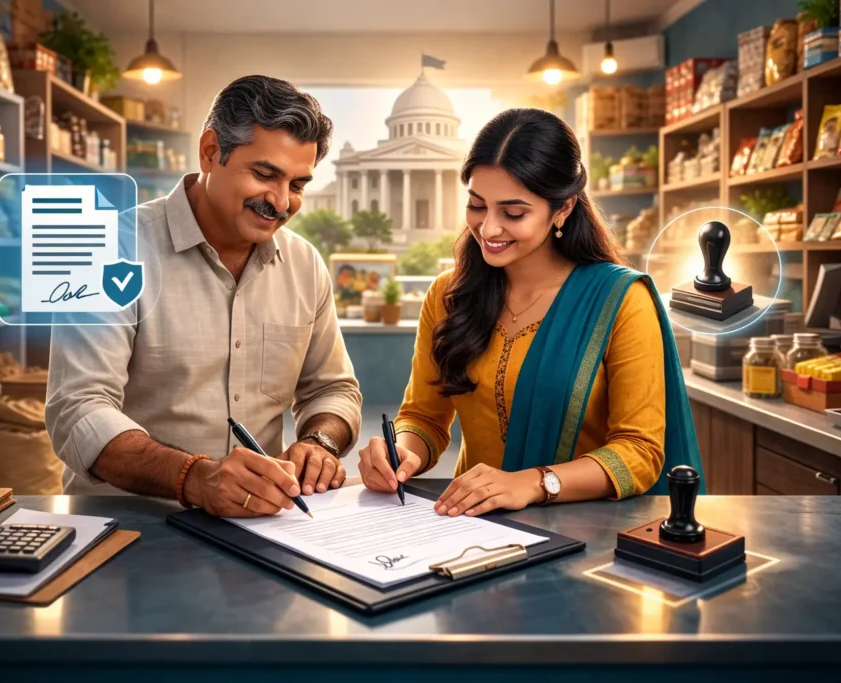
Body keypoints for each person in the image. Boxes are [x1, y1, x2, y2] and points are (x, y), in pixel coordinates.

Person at [45, 75, 362, 516]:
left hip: (261, 527)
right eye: (265, 174)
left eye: (298, 184)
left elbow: (333, 390)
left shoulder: (305, 265)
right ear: (211, 151)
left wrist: (318, 441)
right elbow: (77, 410)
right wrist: (193, 478)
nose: (282, 201)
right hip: (126, 528)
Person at [358, 108, 702, 516]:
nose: (488, 229)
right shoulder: (449, 295)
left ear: (563, 209)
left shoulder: (619, 300)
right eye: (476, 205)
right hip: (473, 529)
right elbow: (424, 417)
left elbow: (639, 453)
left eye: (513, 213)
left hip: (587, 528)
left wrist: (534, 483)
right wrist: (400, 451)